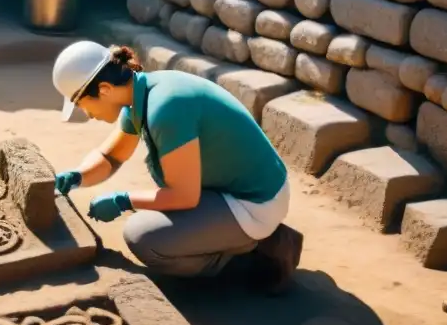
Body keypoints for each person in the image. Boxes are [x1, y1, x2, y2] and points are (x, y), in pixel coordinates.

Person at [50, 40, 303, 293]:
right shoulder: (140, 94)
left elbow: (184, 196)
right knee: (154, 215)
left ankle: (260, 253)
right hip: (234, 188)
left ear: (104, 89)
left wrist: (123, 201)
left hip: (256, 202)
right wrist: (78, 176)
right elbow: (111, 157)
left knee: (146, 238)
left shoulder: (165, 108)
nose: (87, 114)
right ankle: (240, 237)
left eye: (81, 104)